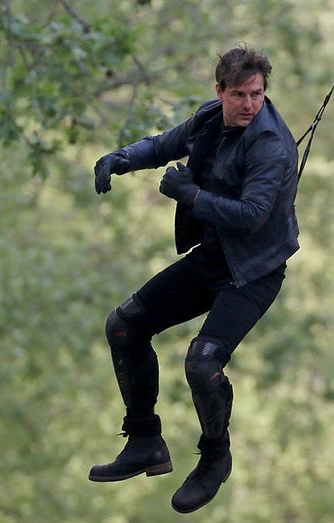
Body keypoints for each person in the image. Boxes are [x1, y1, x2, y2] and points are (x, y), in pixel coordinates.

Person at [88, 45, 300, 514]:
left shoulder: (269, 145)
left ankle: (215, 456)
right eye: (240, 94)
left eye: (258, 94)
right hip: (212, 259)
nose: (249, 104)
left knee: (202, 363)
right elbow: (166, 144)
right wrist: (121, 158)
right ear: (220, 91)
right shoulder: (210, 119)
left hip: (253, 274)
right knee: (123, 325)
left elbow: (251, 215)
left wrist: (191, 194)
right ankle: (144, 440)